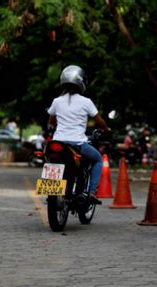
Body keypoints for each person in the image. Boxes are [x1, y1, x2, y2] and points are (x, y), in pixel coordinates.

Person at [47, 65, 110, 202]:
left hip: (57, 143)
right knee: (98, 159)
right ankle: (92, 192)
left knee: (51, 161)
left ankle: (51, 189)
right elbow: (99, 121)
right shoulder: (86, 102)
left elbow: (51, 121)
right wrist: (106, 130)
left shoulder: (57, 101)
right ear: (81, 82)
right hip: (78, 144)